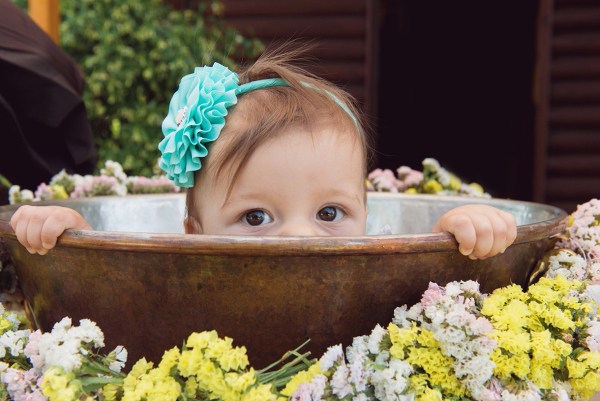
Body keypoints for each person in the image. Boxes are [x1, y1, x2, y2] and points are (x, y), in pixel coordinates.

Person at [9, 45, 517, 258]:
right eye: (255, 217)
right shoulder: (184, 260)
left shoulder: (373, 258)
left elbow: (420, 264)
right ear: (194, 232)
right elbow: (117, 269)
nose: (299, 237)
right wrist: (65, 230)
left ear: (368, 216)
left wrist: (463, 226)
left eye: (330, 211)